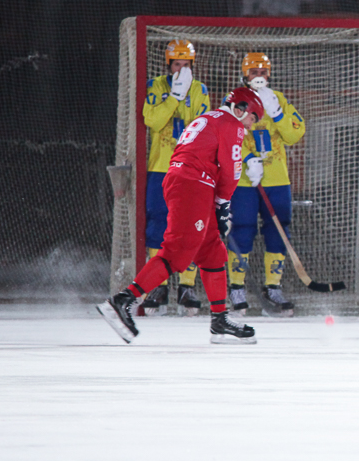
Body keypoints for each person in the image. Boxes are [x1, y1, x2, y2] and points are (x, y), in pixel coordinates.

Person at [98, 88, 263, 345]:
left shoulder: (210, 118)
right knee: (178, 252)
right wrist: (223, 205)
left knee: (211, 251)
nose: (250, 126)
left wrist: (217, 204)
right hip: (193, 185)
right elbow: (231, 170)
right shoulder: (232, 124)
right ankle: (122, 301)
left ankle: (219, 320)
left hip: (186, 181)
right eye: (253, 118)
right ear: (241, 109)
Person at [227, 52, 307, 317]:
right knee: (243, 229)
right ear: (244, 74)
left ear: (269, 74)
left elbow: (295, 134)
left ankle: (272, 288)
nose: (258, 77)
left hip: (277, 180)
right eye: (253, 72)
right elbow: (227, 135)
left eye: (262, 72)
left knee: (278, 230)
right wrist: (249, 159)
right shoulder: (235, 99)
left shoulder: (278, 99)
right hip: (245, 181)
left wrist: (278, 114)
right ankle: (236, 288)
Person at [142, 39, 212, 315]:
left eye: (186, 65)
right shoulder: (156, 86)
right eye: (176, 64)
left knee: (190, 225)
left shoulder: (200, 90)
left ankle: (186, 284)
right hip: (161, 166)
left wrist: (185, 96)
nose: (181, 70)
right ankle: (157, 285)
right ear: (168, 64)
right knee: (158, 224)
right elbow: (154, 121)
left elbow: (203, 127)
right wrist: (173, 96)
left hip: (190, 168)